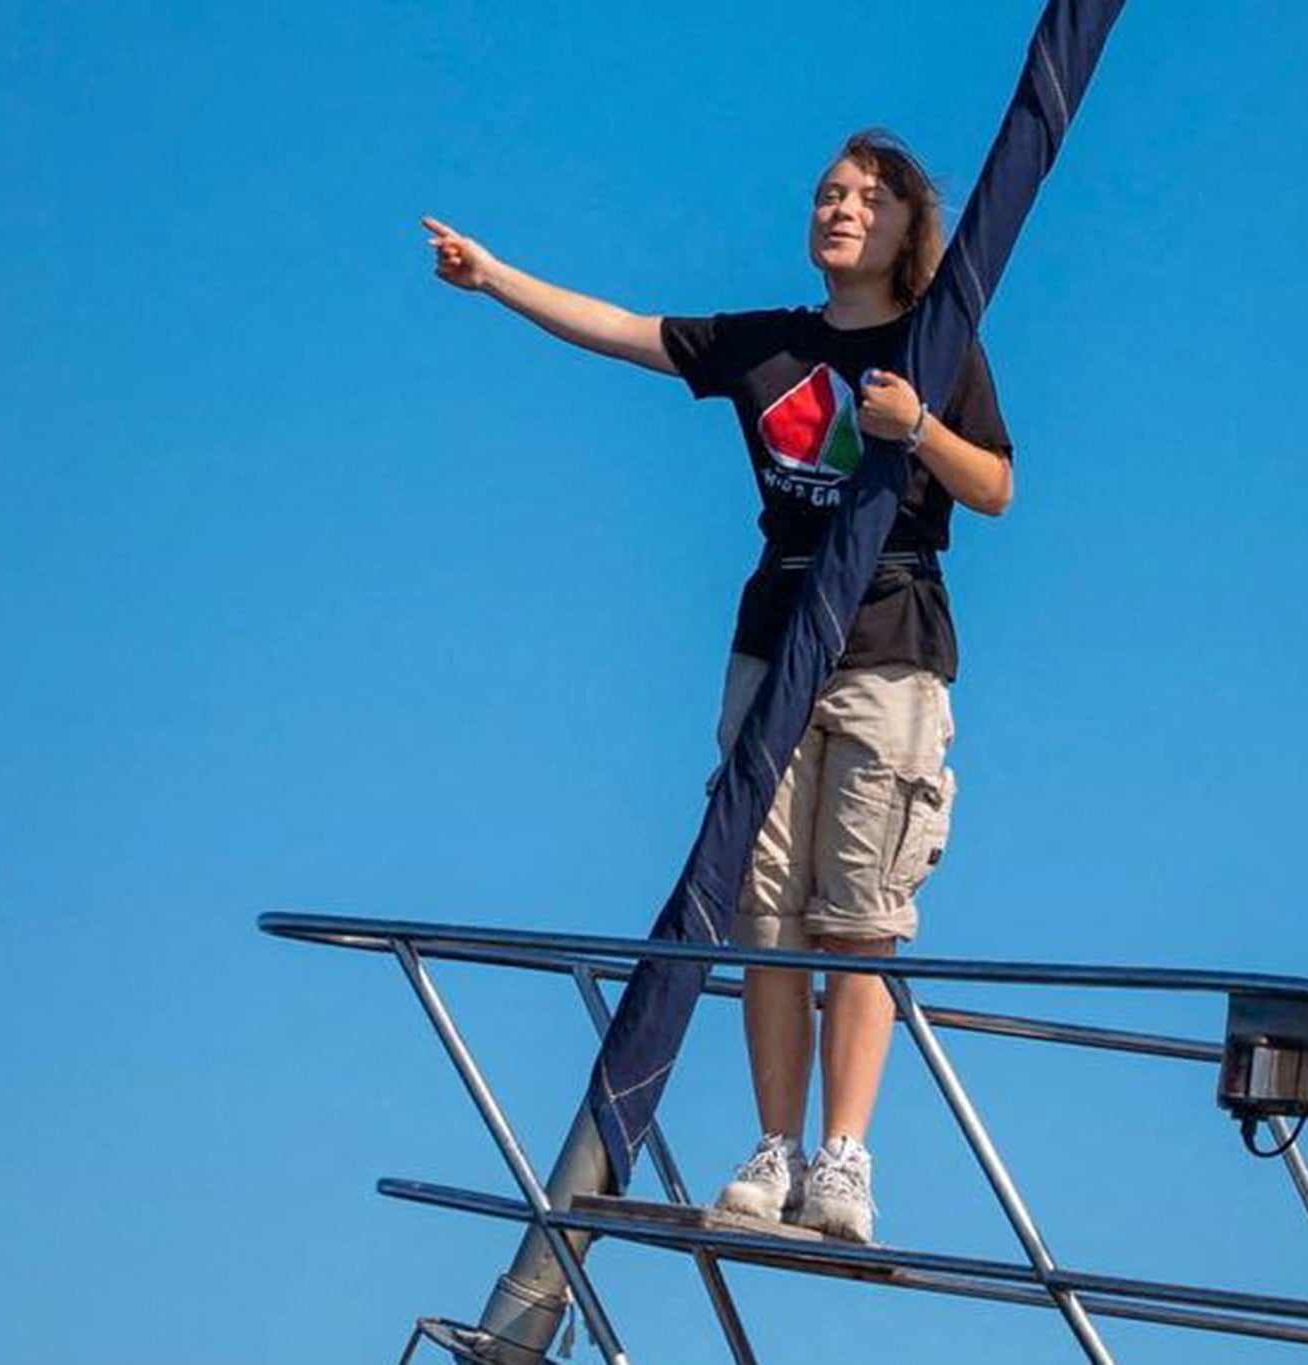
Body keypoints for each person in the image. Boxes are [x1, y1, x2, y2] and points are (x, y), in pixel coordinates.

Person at [424, 130, 1012, 1244]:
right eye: (827, 193)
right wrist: (494, 278)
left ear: (907, 228)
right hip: (773, 636)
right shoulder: (768, 344)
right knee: (763, 909)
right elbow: (625, 330)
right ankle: (773, 1145)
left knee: (860, 915)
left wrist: (917, 429)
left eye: (866, 197)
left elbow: (993, 487)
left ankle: (844, 1156)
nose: (840, 210)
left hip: (890, 636)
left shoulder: (936, 346)